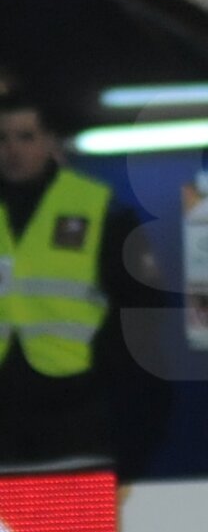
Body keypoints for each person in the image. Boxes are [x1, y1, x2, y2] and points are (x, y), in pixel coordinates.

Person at [0, 90, 168, 478]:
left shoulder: (98, 210)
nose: (12, 150)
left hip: (73, 413)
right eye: (2, 138)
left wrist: (111, 378)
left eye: (25, 137)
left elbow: (140, 311)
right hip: (6, 420)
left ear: (50, 141)